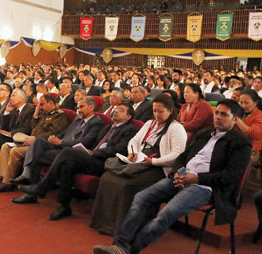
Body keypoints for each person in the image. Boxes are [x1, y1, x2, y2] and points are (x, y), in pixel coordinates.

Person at [93, 99, 252, 254]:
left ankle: (128, 250)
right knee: (141, 198)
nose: (218, 117)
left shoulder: (240, 143)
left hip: (205, 187)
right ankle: (119, 244)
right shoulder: (204, 134)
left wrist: (197, 178)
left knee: (166, 213)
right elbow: (183, 157)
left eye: (224, 114)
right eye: (216, 113)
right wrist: (177, 171)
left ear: (235, 119)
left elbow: (231, 176)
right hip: (180, 178)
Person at [16, 102, 138, 220]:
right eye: (116, 108)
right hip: (90, 157)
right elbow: (94, 143)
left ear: (128, 116)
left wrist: (93, 153)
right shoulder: (107, 127)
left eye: (121, 110)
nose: (116, 110)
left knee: (67, 152)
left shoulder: (131, 130)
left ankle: (42, 187)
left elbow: (118, 149)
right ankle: (64, 206)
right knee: (67, 164)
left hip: (103, 162)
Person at [90, 94, 187, 235]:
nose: (157, 114)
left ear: (170, 110)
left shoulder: (176, 128)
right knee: (107, 177)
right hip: (140, 160)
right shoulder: (150, 123)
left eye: (160, 111)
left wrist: (153, 161)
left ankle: (121, 227)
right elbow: (134, 141)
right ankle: (103, 223)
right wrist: (133, 152)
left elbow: (177, 155)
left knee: (126, 185)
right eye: (154, 111)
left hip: (158, 167)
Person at [10, 97, 104, 197]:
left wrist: (61, 142)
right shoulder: (78, 119)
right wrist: (54, 138)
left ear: (91, 107)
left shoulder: (96, 122)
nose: (79, 110)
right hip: (61, 146)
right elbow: (65, 132)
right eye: (78, 107)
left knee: (38, 154)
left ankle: (32, 192)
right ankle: (27, 174)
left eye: (82, 107)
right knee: (38, 142)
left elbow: (85, 142)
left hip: (72, 152)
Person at [0, 94, 70, 193]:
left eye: (42, 104)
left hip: (42, 145)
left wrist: (35, 139)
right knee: (5, 146)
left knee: (15, 151)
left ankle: (7, 183)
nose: (40, 107)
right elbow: (34, 128)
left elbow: (54, 133)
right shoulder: (44, 114)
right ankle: (4, 178)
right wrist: (35, 115)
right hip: (31, 141)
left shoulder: (60, 116)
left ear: (50, 103)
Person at [235, 90, 262, 164]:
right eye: (241, 103)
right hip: (235, 146)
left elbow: (253, 133)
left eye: (246, 103)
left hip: (251, 151)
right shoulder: (241, 113)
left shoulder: (261, 117)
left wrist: (237, 120)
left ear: (255, 103)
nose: (243, 105)